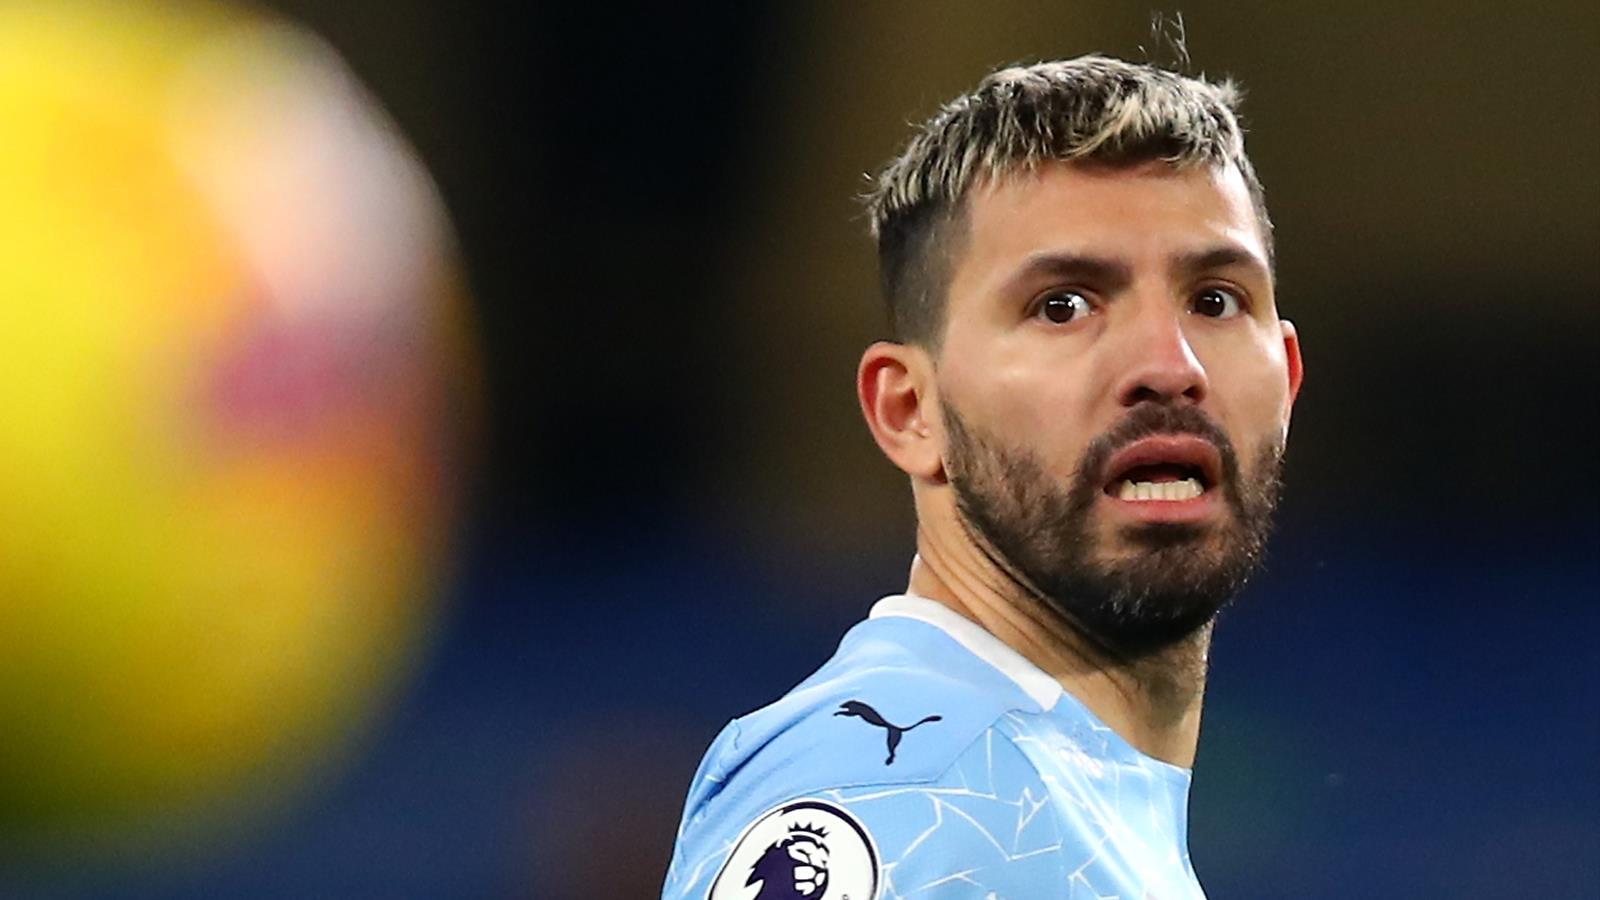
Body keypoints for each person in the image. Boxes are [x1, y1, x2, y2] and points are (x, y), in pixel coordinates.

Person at [663, 54, 1304, 899]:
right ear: (909, 411)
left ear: (1290, 378)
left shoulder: (1037, 805)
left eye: (1215, 300)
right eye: (1063, 305)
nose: (1169, 366)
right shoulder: (899, 804)